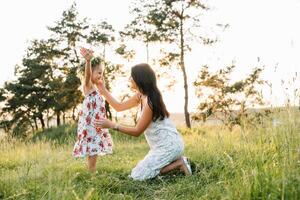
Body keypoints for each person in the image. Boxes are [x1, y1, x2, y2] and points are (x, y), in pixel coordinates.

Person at [94, 63, 192, 181]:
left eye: (132, 77)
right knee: (137, 173)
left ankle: (180, 163)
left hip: (169, 146)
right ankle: (174, 163)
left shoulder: (150, 102)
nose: (129, 79)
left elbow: (137, 131)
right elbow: (119, 107)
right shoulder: (141, 96)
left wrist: (112, 125)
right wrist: (103, 90)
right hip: (163, 147)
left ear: (139, 79)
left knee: (138, 176)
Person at [73, 47, 113, 172]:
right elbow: (88, 75)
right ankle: (91, 172)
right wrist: (88, 61)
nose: (101, 75)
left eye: (102, 72)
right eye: (99, 72)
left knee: (94, 149)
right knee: (92, 149)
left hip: (97, 124)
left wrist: (102, 82)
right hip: (90, 125)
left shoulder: (97, 89)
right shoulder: (88, 86)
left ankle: (92, 171)